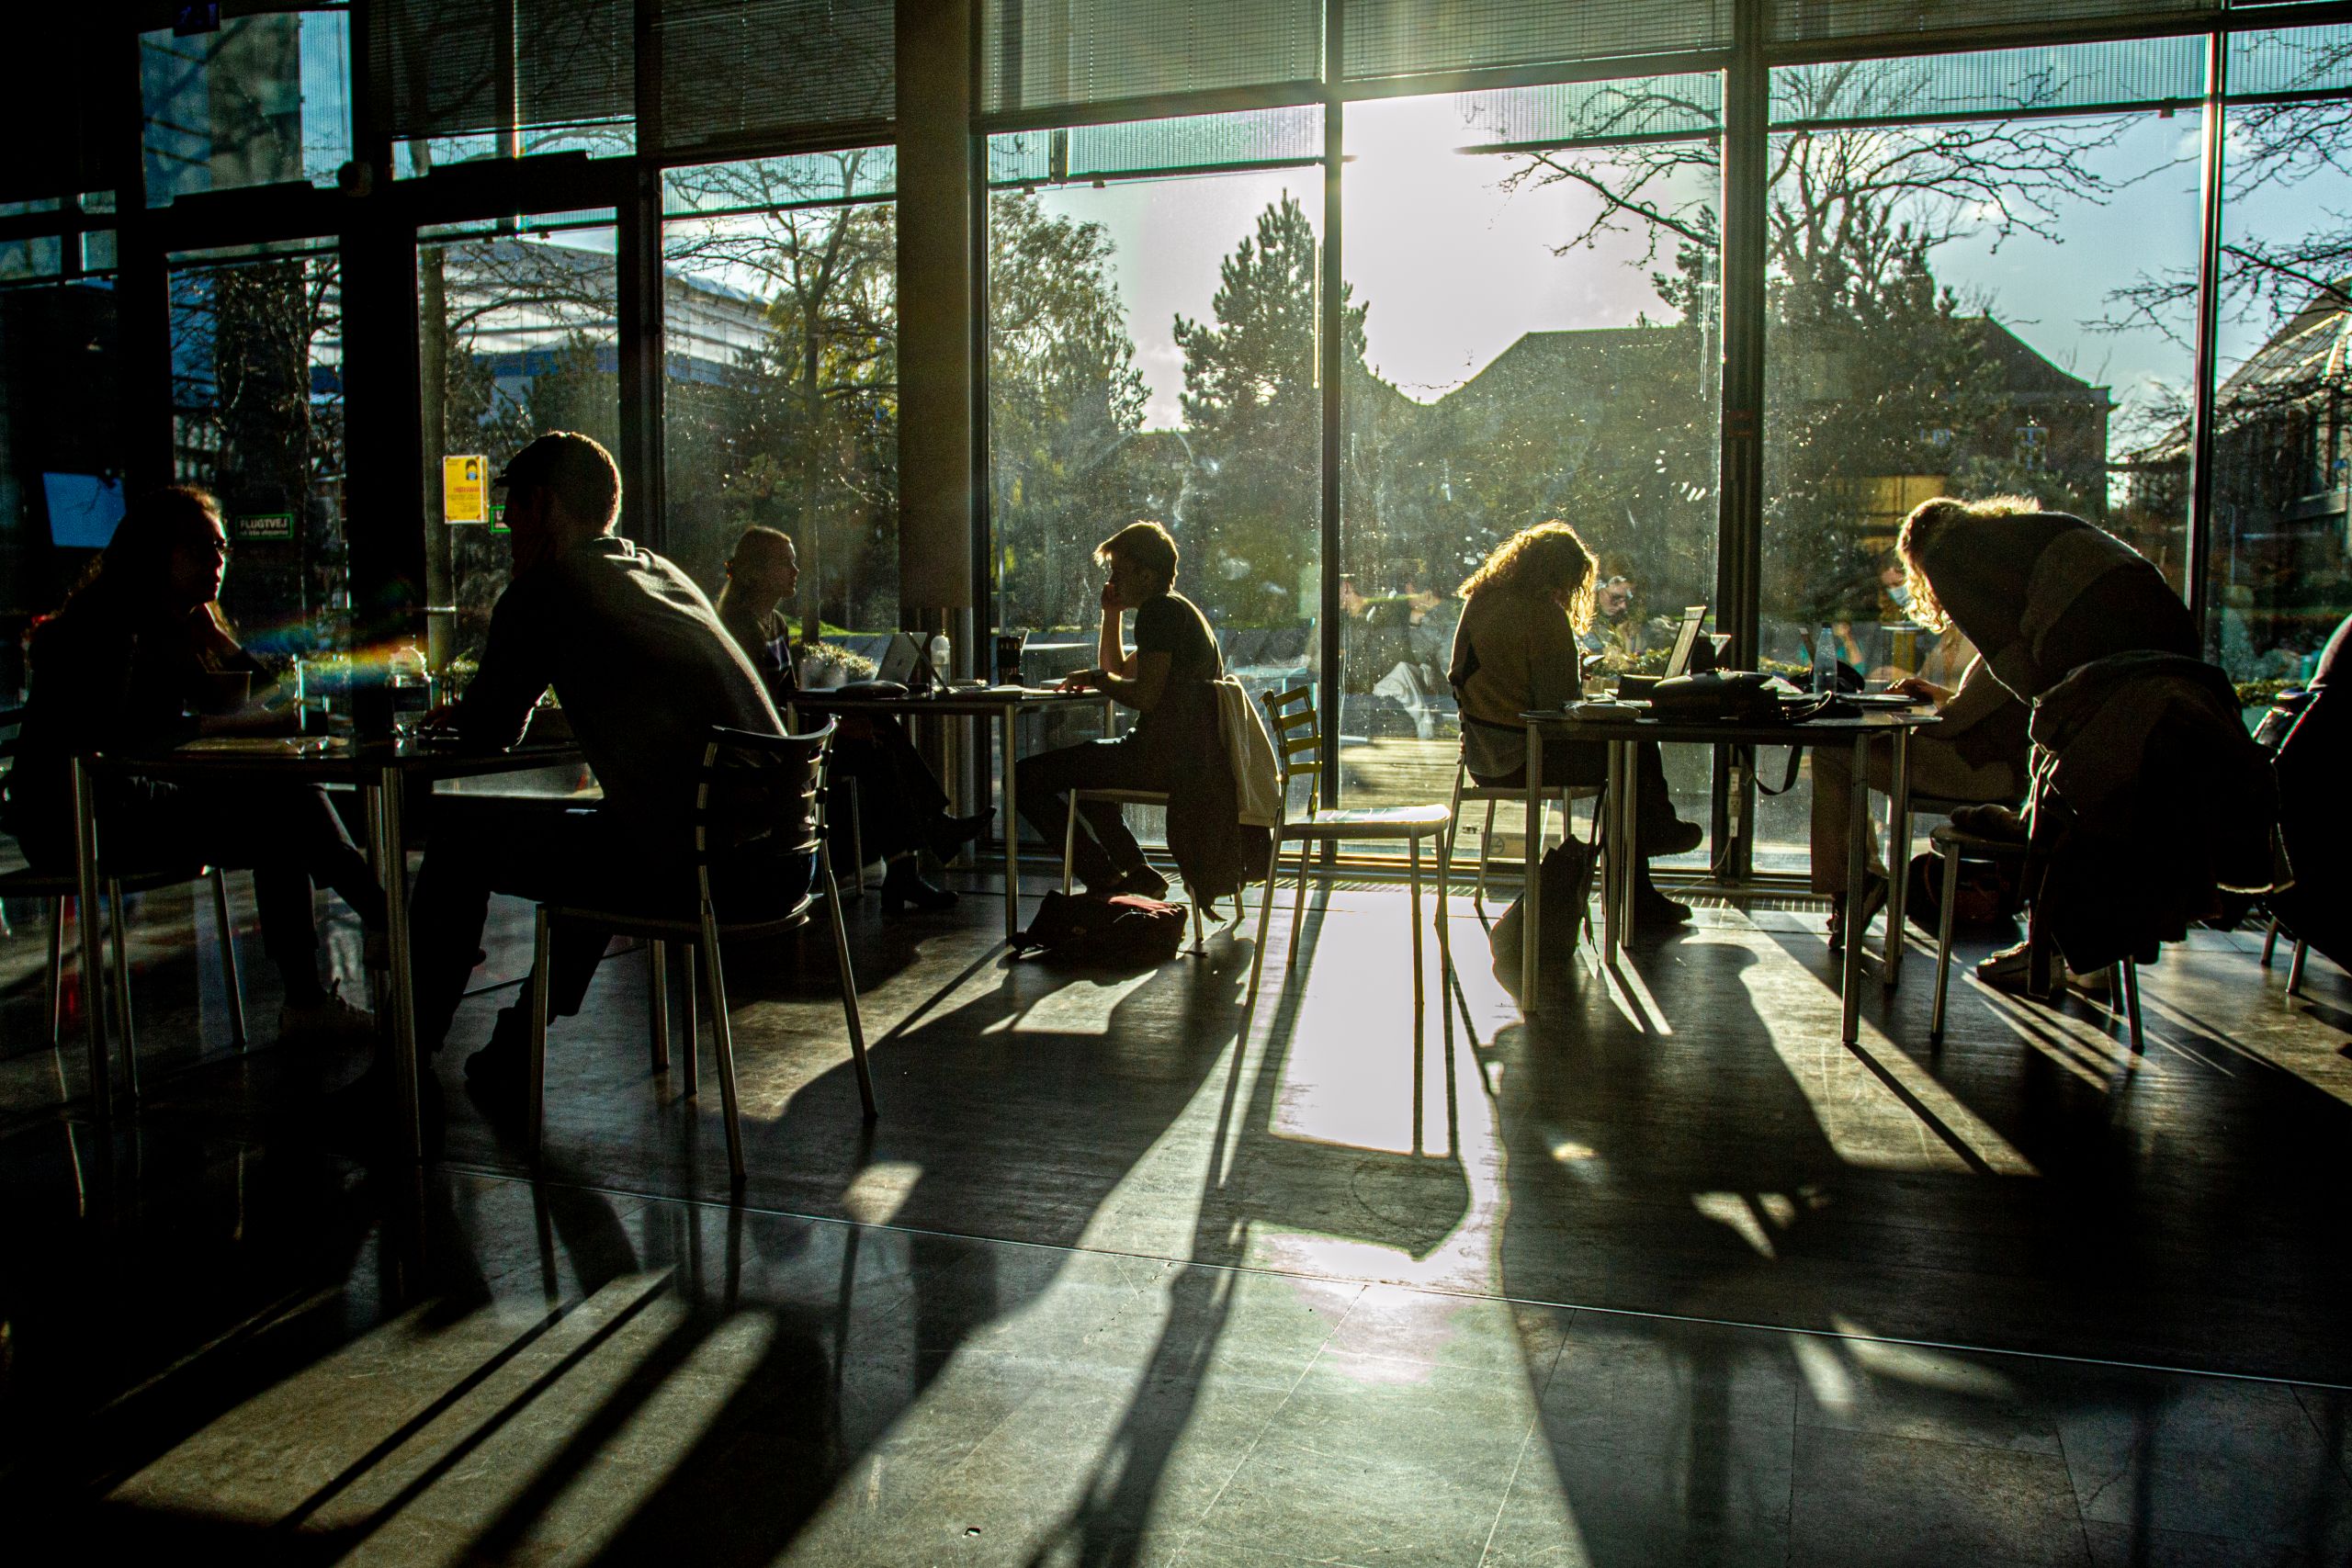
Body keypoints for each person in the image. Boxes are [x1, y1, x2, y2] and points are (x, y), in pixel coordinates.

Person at [409, 432, 784, 1107]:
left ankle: (402, 1067)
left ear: (543, 505)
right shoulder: (655, 573)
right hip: (778, 858)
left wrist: (468, 706)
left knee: (463, 839)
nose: (506, 532)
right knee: (611, 831)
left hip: (704, 873)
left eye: (512, 513)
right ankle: (516, 1045)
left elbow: (492, 731)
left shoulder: (547, 589)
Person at [0, 485, 383, 1036]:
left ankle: (360, 945)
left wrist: (218, 641)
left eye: (223, 549)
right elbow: (110, 741)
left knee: (287, 800)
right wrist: (209, 725)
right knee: (285, 808)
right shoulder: (103, 628)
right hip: (79, 818)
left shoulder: (173, 625)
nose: (219, 562)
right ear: (158, 553)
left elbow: (271, 698)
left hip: (128, 802)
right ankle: (378, 929)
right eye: (203, 549)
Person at [1894, 493, 2278, 994]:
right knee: (2101, 784)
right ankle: (2085, 949)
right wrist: (1964, 701)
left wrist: (1948, 722)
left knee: (2069, 781)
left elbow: (2011, 664)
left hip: (2103, 661)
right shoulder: (2037, 529)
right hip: (2175, 658)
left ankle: (2049, 947)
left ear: (1917, 558)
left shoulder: (1947, 555)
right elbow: (2009, 652)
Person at [713, 525, 987, 914]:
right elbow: (763, 713)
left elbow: (790, 697)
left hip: (790, 735)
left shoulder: (771, 622)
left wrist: (838, 720)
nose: (796, 570)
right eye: (787, 563)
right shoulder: (740, 626)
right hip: (771, 751)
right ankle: (921, 849)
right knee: (875, 752)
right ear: (759, 570)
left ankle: (917, 851)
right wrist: (836, 731)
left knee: (880, 728)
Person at [1449, 522, 1702, 929]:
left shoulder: (1481, 599)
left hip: (1483, 756)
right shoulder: (1541, 612)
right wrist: (1591, 697)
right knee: (1631, 747)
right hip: (1524, 756)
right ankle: (1649, 851)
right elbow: (1559, 706)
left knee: (1623, 755)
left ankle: (1649, 854)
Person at [1015, 521, 1219, 898]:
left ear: (1146, 574)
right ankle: (1138, 871)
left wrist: (1095, 678)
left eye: (1119, 572)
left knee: (1023, 778)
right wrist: (1112, 615)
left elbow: (1145, 697)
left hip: (1159, 757)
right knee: (1092, 771)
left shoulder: (1158, 613)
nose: (1113, 581)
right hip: (1185, 757)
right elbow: (1119, 672)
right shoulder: (1176, 610)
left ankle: (1103, 879)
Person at [1808, 642, 2030, 943]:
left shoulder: (2010, 653)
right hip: (1990, 769)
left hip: (1980, 769)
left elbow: (1954, 722)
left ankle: (1855, 887)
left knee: (1832, 752)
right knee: (1845, 752)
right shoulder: (2014, 649)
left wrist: (1894, 722)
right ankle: (1859, 885)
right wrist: (1937, 695)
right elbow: (1979, 711)